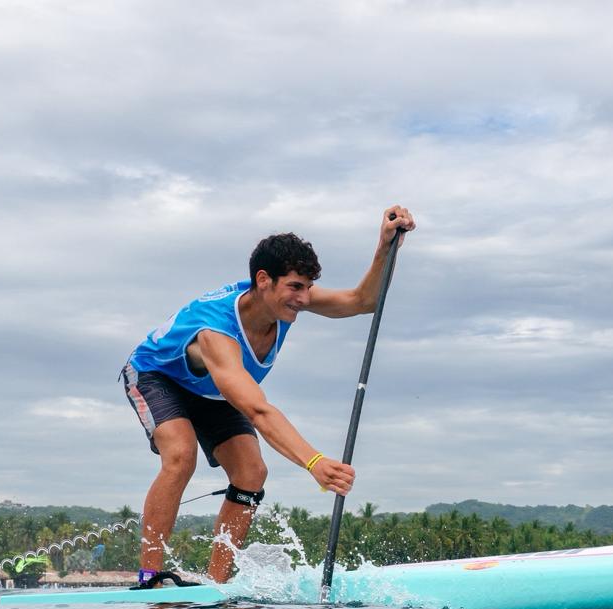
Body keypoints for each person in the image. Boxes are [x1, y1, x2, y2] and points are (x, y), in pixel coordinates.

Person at [121, 205, 416, 587]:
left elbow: (363, 302)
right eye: (295, 287)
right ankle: (149, 576)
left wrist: (385, 245)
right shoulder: (215, 331)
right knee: (180, 456)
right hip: (156, 375)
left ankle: (217, 584)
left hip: (210, 391)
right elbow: (258, 410)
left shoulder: (284, 303)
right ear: (264, 280)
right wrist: (314, 462)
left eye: (308, 288)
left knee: (251, 473)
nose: (304, 298)